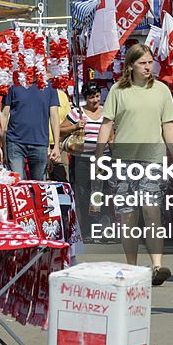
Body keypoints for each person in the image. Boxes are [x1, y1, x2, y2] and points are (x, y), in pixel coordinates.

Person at [95, 44, 173, 285]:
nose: (147, 66)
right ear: (131, 65)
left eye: (150, 62)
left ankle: (157, 265)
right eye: (142, 62)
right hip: (123, 162)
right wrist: (100, 156)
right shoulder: (118, 91)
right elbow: (107, 124)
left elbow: (169, 126)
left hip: (152, 159)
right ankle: (131, 268)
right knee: (128, 216)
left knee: (152, 211)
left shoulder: (162, 90)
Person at [61, 82, 107, 242]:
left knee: (101, 193)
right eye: (91, 97)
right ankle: (86, 230)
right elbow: (60, 129)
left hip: (102, 159)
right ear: (85, 98)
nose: (95, 100)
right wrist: (75, 126)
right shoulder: (77, 113)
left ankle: (100, 228)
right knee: (83, 193)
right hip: (82, 159)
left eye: (97, 96)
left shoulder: (106, 112)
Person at [0, 83, 61, 180]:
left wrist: (56, 145)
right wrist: (2, 145)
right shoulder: (13, 84)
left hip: (40, 143)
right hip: (15, 142)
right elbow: (3, 115)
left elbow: (54, 116)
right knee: (17, 183)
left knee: (39, 186)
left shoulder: (49, 86)